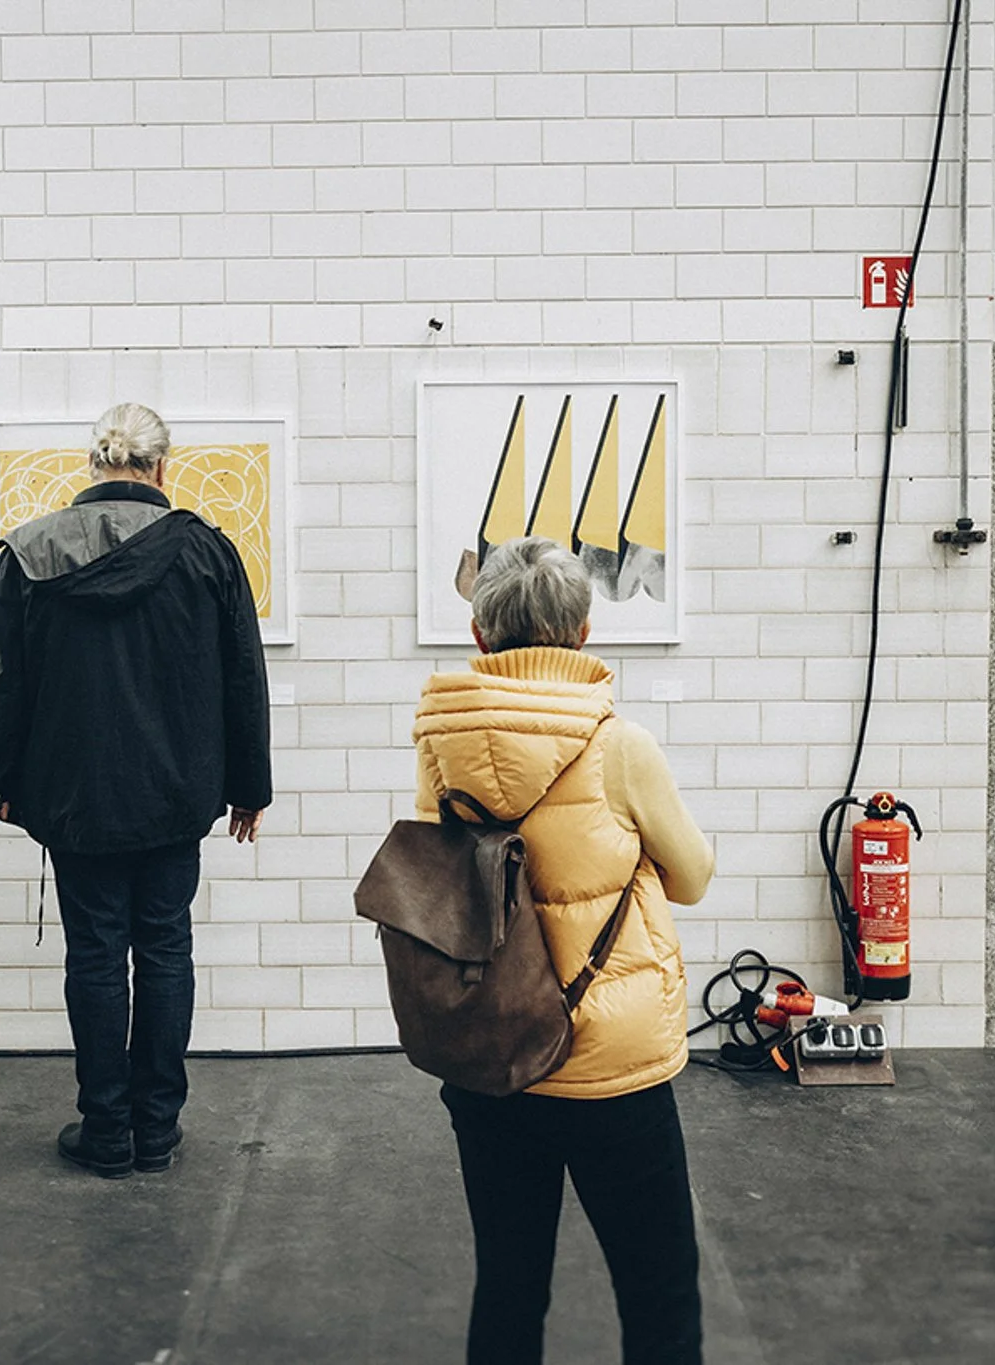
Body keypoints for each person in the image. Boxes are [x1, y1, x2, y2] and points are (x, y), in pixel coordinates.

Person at [412, 535, 715, 1364]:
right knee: (658, 1292)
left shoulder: (441, 739)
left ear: (479, 634)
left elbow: (447, 886)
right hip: (613, 1064)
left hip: (494, 1052)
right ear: (583, 631)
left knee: (508, 1287)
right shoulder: (621, 745)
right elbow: (692, 877)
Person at [0, 402, 271, 1180]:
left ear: (92, 465)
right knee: (165, 946)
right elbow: (242, 675)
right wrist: (249, 786)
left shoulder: (27, 552)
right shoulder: (207, 551)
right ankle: (156, 1129)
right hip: (175, 796)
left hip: (75, 797)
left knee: (95, 953)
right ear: (162, 467)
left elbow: (2, 682)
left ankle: (106, 1129)